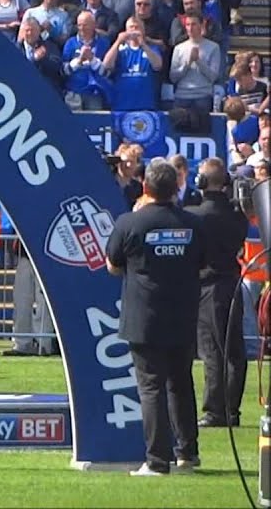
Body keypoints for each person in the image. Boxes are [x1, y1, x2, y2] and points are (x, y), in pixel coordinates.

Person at [106, 158, 205, 476]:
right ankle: (187, 454)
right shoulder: (193, 223)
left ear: (145, 187)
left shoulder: (129, 223)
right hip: (183, 313)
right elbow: (202, 262)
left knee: (151, 388)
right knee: (181, 383)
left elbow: (112, 264)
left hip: (144, 316)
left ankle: (157, 460)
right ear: (177, 187)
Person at [188, 159, 249, 428]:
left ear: (202, 182)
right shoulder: (236, 215)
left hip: (209, 286)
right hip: (232, 282)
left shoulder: (196, 216)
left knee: (212, 349)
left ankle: (215, 410)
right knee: (234, 348)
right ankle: (231, 408)